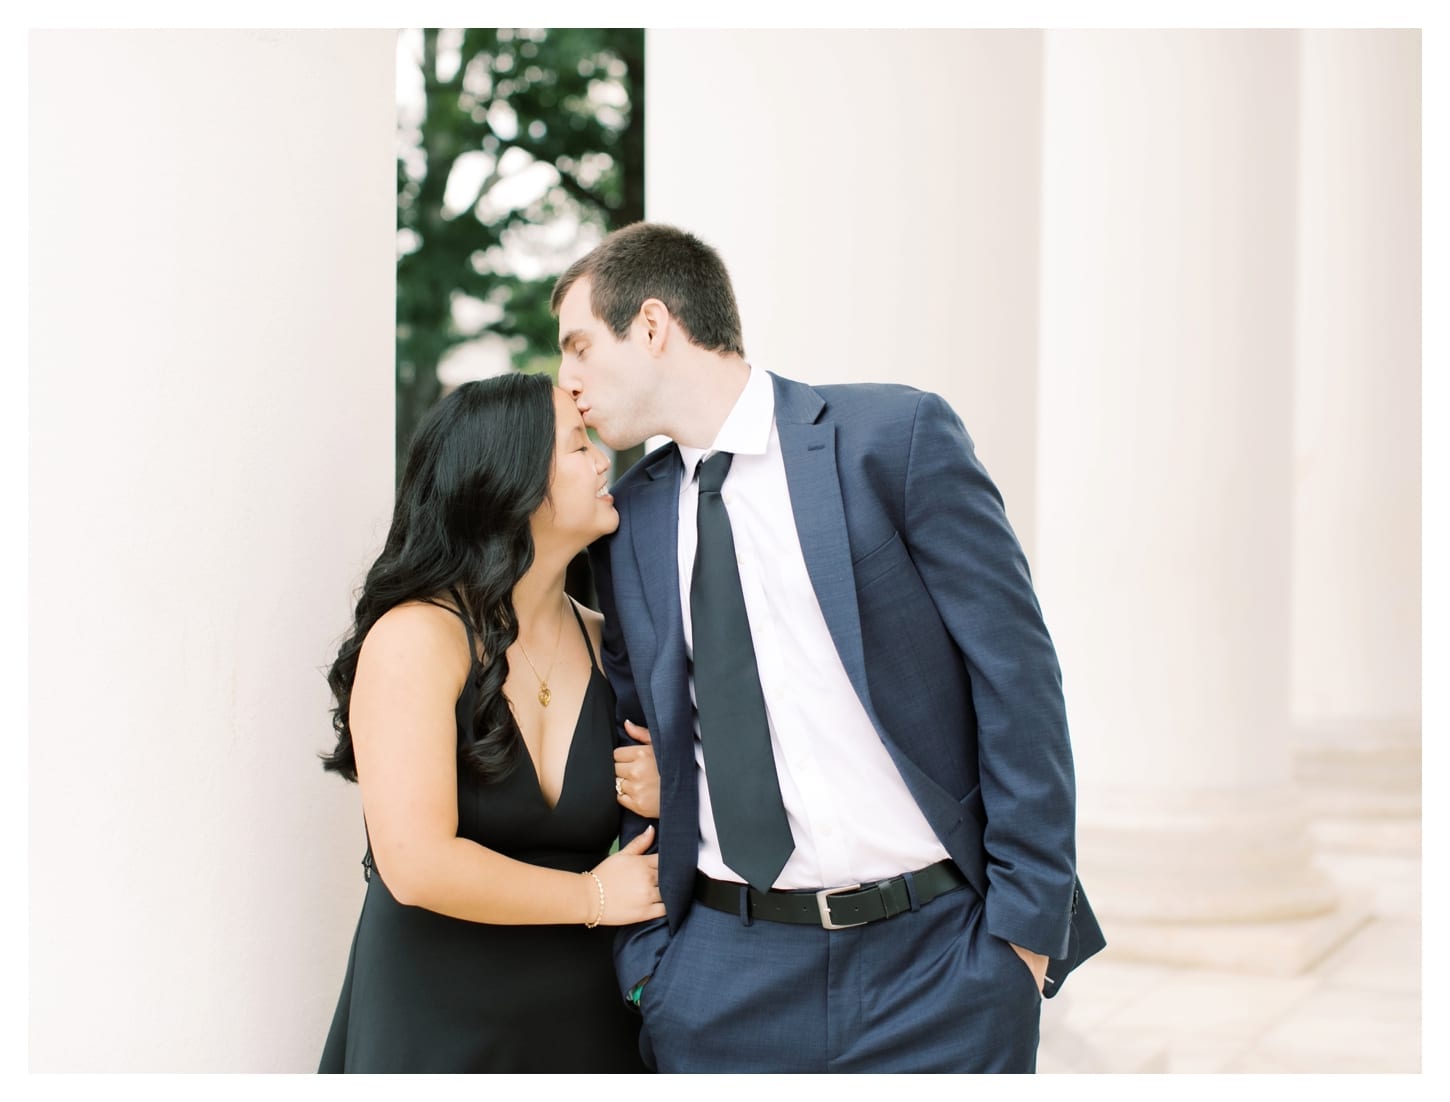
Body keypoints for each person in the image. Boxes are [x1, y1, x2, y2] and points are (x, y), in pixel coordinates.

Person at [552, 223, 1106, 1073]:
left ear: (654, 326)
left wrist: (1023, 944)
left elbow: (1019, 682)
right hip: (722, 980)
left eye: (581, 347)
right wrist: (655, 975)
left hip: (941, 968)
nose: (569, 381)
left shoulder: (893, 438)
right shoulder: (630, 527)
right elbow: (649, 741)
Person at [317, 372, 664, 1073]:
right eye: (578, 446)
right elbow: (415, 864)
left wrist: (670, 789)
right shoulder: (419, 636)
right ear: (514, 482)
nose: (603, 461)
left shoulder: (612, 644)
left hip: (584, 1031)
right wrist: (593, 894)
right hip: (434, 1025)